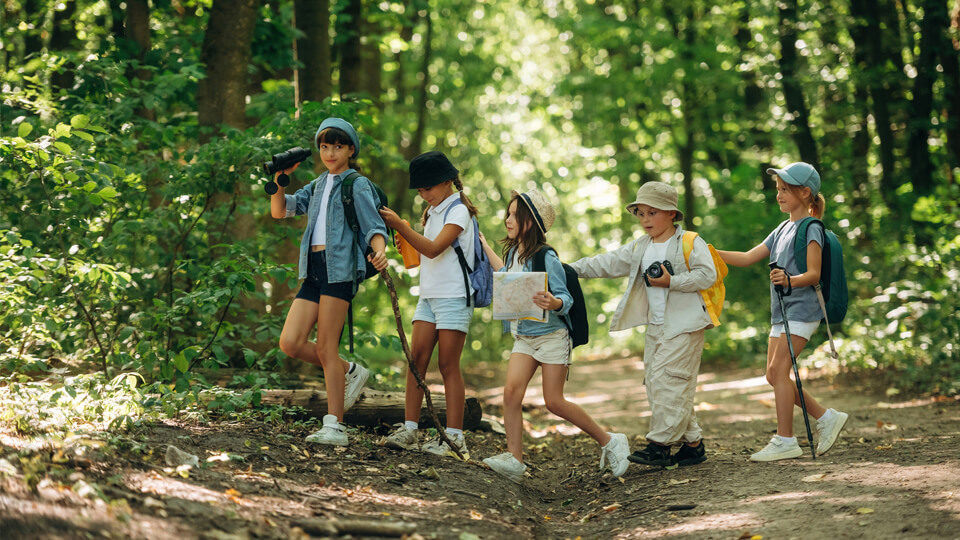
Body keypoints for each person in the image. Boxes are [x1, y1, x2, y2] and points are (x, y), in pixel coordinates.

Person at [478, 189, 630, 484]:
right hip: (524, 336)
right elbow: (506, 275)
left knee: (554, 402)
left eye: (513, 215)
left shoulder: (546, 256)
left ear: (529, 221)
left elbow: (565, 297)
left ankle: (611, 441)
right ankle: (515, 460)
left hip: (551, 336)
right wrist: (483, 245)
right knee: (511, 393)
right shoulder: (512, 253)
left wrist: (554, 302)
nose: (507, 219)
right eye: (507, 214)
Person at [569, 182, 716, 468]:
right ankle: (693, 445)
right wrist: (566, 269)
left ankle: (659, 446)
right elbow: (606, 263)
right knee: (659, 382)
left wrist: (671, 281)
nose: (646, 220)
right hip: (656, 326)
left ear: (672, 214)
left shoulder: (688, 242)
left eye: (652, 213)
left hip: (685, 325)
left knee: (668, 382)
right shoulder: (640, 247)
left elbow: (706, 275)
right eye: (641, 214)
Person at [717, 162, 848, 461]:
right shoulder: (782, 228)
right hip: (782, 312)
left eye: (785, 189)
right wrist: (710, 252)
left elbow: (813, 274)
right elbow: (750, 257)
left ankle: (785, 439)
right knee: (772, 375)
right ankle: (826, 418)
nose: (778, 195)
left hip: (803, 310)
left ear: (805, 192)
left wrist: (790, 279)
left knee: (779, 372)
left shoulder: (811, 227)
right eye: (778, 189)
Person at [270, 117, 387, 446]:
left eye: (337, 146)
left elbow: (373, 226)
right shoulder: (318, 185)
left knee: (325, 347)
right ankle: (350, 370)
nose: (330, 152)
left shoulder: (357, 185)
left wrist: (379, 252)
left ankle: (335, 426)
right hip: (314, 269)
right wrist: (280, 182)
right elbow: (282, 211)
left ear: (351, 149)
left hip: (341, 271)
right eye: (324, 146)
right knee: (290, 342)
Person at [378, 151, 477, 457]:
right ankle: (409, 429)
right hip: (429, 295)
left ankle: (455, 436)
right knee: (416, 360)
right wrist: (406, 243)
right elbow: (424, 257)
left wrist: (403, 227)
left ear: (447, 181)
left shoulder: (459, 210)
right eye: (419, 190)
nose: (424, 194)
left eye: (428, 188)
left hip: (454, 295)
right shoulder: (432, 212)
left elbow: (434, 249)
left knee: (447, 365)